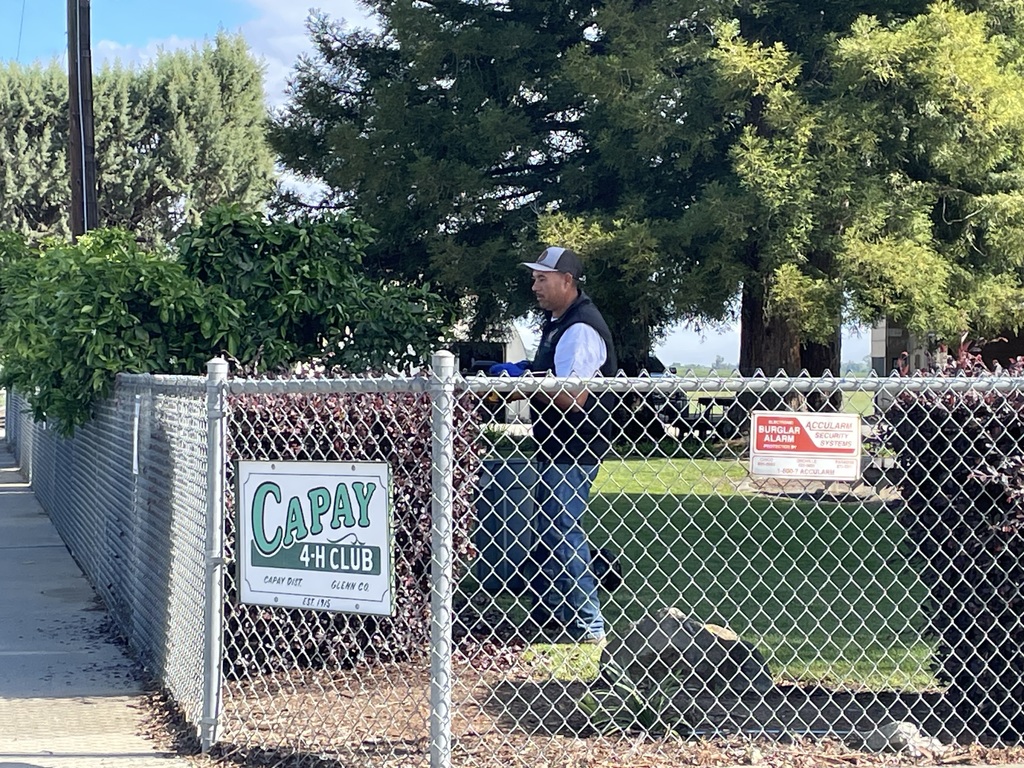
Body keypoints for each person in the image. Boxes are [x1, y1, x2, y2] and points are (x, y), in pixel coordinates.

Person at [492, 246, 617, 644]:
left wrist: (522, 383)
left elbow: (572, 398)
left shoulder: (580, 327)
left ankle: (588, 625)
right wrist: (528, 374)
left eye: (542, 278)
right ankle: (554, 616)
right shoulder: (558, 321)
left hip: (576, 449)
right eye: (534, 278)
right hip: (556, 448)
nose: (535, 286)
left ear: (568, 281)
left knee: (563, 531)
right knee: (548, 533)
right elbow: (552, 376)